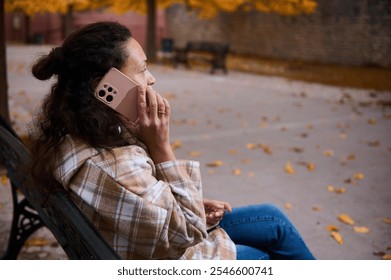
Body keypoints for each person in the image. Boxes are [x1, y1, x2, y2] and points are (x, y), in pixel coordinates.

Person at [29, 21, 315, 260]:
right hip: (172, 256)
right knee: (263, 257)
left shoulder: (77, 133)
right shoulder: (111, 166)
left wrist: (189, 200)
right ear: (106, 87)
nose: (151, 79)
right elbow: (187, 233)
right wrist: (160, 145)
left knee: (272, 219)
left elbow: (140, 198)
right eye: (141, 69)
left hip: (145, 239)